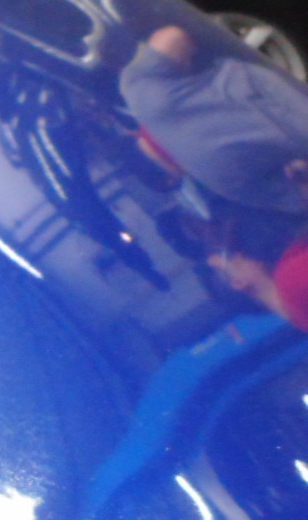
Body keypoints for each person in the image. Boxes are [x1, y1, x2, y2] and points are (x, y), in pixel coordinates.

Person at [120, 24, 308, 326]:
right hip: (278, 57)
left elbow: (299, 194)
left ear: (173, 177)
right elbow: (174, 35)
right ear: (134, 135)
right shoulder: (140, 93)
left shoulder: (230, 187)